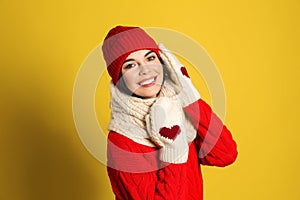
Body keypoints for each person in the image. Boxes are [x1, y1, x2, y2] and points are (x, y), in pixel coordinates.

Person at [102, 25, 238, 200]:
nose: (145, 70)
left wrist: (188, 94)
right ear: (119, 80)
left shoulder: (178, 107)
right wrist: (174, 150)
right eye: (130, 65)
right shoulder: (122, 141)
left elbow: (225, 154)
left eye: (150, 58)